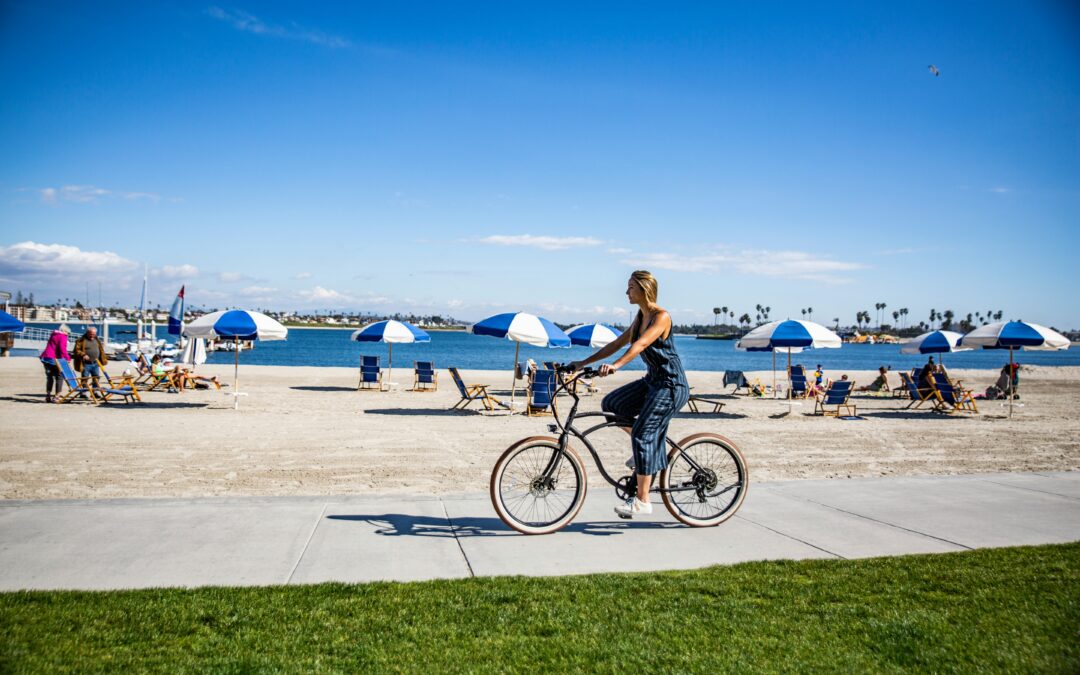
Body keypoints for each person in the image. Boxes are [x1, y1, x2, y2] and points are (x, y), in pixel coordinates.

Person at [569, 270, 690, 519]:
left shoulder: (661, 316)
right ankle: (646, 451)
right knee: (612, 404)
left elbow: (641, 345)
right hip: (653, 382)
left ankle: (643, 501)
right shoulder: (640, 318)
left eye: (631, 288)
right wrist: (582, 363)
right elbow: (616, 344)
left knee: (643, 434)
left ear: (645, 289)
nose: (626, 292)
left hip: (671, 385)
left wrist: (617, 365)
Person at [39, 324, 72, 403]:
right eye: (68, 333)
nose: (68, 335)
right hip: (54, 359)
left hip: (46, 357)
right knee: (59, 377)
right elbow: (62, 348)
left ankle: (48, 395)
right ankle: (57, 396)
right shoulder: (63, 336)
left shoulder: (54, 334)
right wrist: (67, 358)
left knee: (49, 377)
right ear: (64, 331)